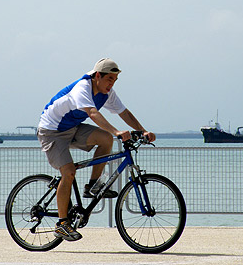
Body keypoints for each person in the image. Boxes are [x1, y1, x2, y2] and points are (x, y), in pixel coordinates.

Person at [37, 58, 156, 241]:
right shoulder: (82, 88)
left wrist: (143, 130)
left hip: (72, 128)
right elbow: (92, 113)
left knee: (105, 139)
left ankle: (92, 185)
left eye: (115, 81)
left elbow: (124, 112)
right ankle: (62, 224)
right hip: (51, 131)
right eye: (109, 79)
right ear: (97, 76)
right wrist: (117, 131)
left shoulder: (107, 93)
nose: (112, 84)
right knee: (68, 172)